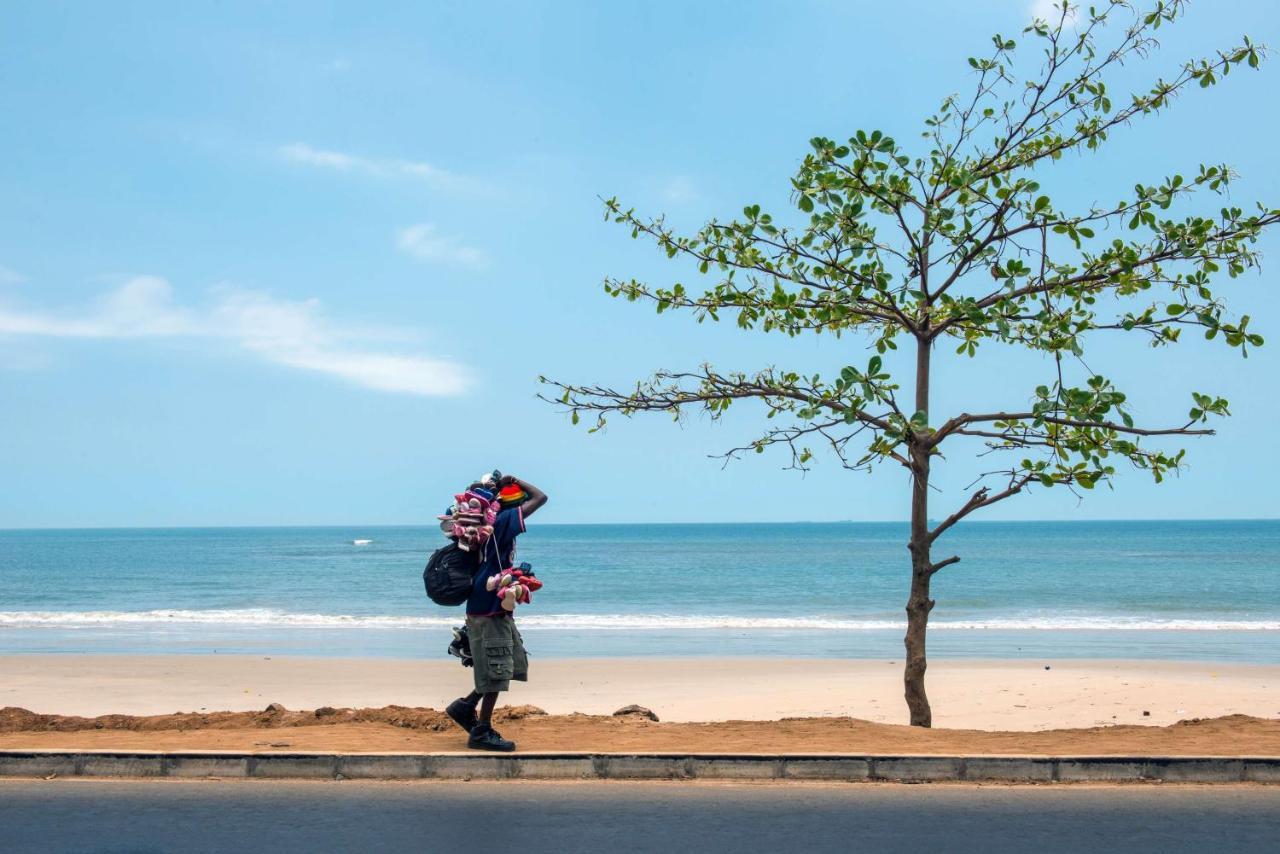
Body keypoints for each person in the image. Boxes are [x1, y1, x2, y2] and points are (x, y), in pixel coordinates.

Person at [445, 473, 547, 751]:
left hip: (488, 604)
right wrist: (518, 481)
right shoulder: (500, 522)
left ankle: (465, 706)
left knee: (510, 662)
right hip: (488, 606)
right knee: (496, 670)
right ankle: (481, 731)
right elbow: (541, 498)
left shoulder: (483, 527)